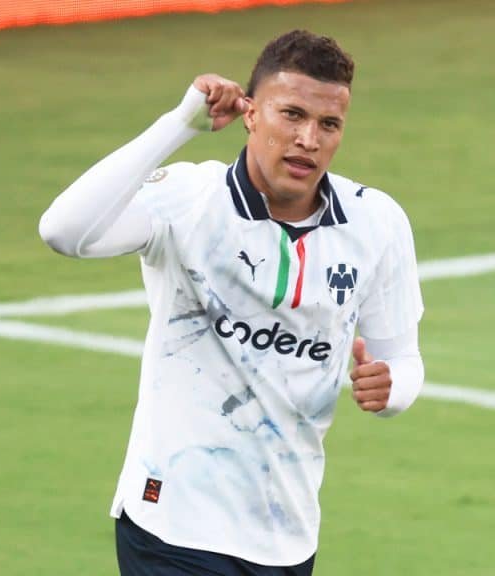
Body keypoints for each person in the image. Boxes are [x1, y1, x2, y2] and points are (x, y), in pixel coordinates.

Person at [38, 30, 425, 575]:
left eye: (329, 124)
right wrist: (179, 124)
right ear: (251, 113)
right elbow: (63, 231)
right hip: (173, 522)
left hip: (286, 535)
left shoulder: (376, 222)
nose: (308, 139)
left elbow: (402, 360)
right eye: (291, 115)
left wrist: (391, 389)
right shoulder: (189, 200)